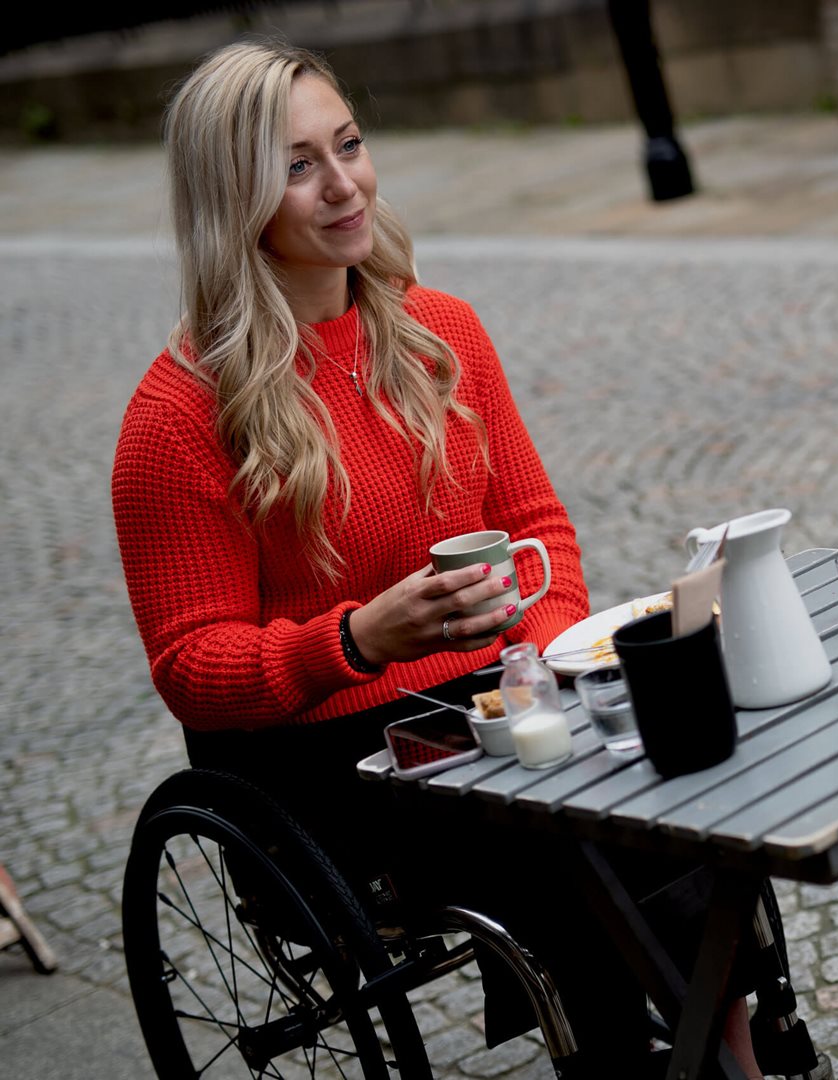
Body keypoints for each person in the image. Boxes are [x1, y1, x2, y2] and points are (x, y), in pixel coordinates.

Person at [112, 40, 782, 1077]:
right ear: (231, 198)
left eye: (350, 144)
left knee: (669, 755)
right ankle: (633, 1057)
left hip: (495, 699)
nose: (345, 186)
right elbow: (191, 665)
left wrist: (548, 658)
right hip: (323, 758)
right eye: (298, 166)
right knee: (559, 830)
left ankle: (731, 1049)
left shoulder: (440, 333)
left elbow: (540, 531)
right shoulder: (179, 420)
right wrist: (355, 638)